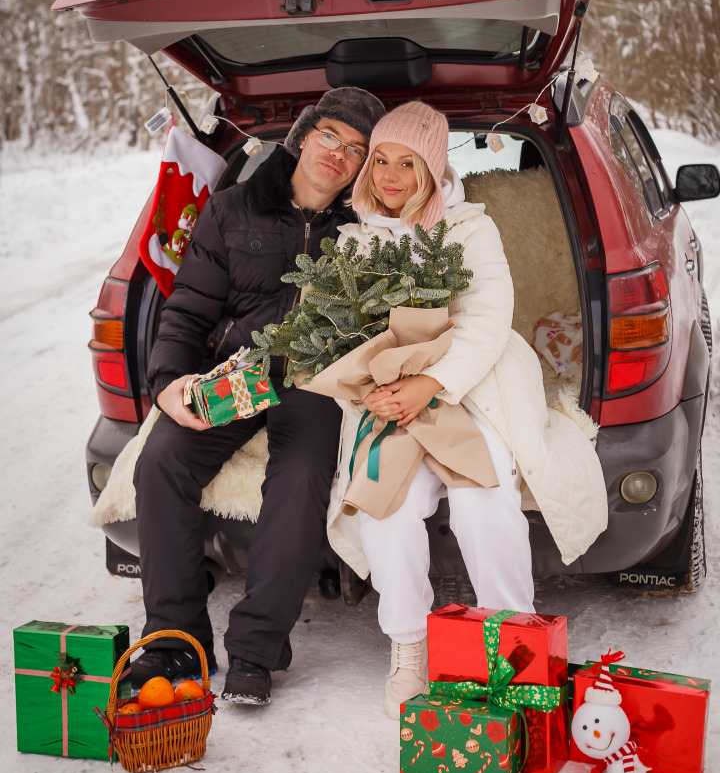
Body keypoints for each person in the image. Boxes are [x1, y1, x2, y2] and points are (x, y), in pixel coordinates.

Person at [326, 101, 608, 719]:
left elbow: (486, 322)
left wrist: (432, 383)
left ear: (432, 169)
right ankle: (409, 648)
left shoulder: (470, 229)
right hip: (390, 396)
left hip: (474, 385)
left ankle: (515, 646)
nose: (390, 175)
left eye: (408, 162)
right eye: (379, 160)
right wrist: (372, 385)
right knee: (387, 509)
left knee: (486, 500)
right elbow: (339, 332)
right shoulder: (353, 242)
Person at [131, 86, 386, 706]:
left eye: (356, 149)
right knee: (160, 462)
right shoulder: (232, 209)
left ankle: (257, 649)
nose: (338, 154)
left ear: (362, 167)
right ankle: (174, 641)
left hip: (314, 381)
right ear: (302, 136)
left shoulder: (368, 230)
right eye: (330, 135)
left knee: (300, 478)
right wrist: (168, 387)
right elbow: (187, 312)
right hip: (232, 373)